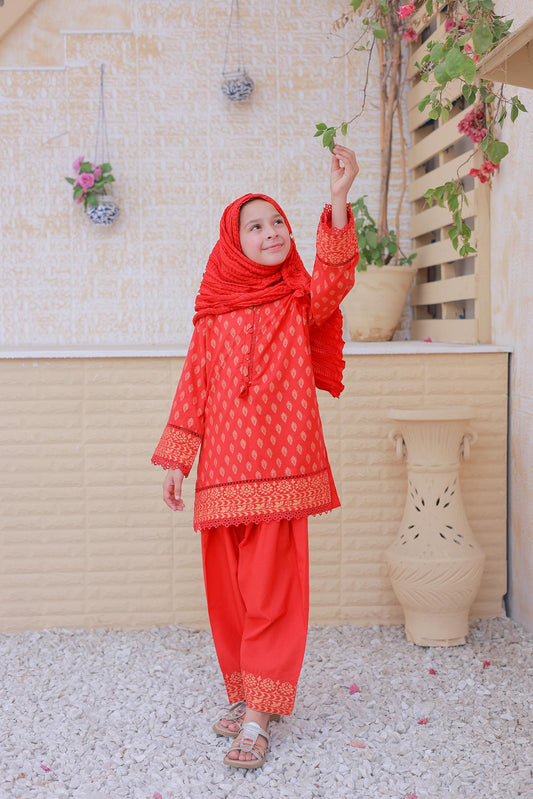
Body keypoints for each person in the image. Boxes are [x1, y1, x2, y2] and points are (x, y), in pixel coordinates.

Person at [152, 144, 360, 769]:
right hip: (222, 478)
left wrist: (341, 197)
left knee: (271, 594)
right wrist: (176, 462)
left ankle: (261, 718)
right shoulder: (213, 317)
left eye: (278, 222)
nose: (272, 233)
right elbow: (193, 390)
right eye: (256, 225)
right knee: (229, 594)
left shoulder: (299, 301)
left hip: (281, 470)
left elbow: (336, 277)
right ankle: (244, 696)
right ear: (233, 241)